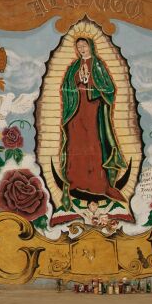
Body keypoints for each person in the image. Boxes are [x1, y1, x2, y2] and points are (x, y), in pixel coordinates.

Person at [59, 36, 128, 208]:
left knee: (94, 145)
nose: (81, 49)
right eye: (79, 46)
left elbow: (109, 89)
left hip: (92, 111)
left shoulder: (98, 65)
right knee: (75, 145)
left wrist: (90, 86)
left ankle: (98, 185)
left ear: (90, 47)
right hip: (76, 111)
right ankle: (75, 181)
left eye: (84, 46)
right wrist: (77, 83)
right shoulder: (74, 67)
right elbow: (65, 87)